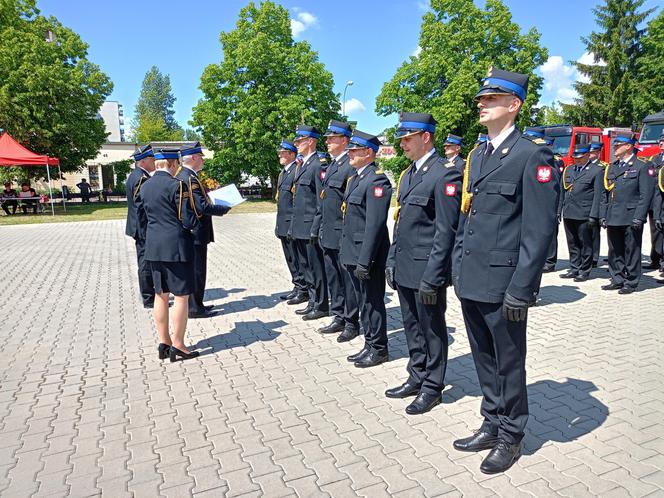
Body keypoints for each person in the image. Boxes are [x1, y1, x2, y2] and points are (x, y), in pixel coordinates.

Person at [451, 68, 559, 474]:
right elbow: (469, 218)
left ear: (513, 105)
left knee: (509, 362)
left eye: (491, 98)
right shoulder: (478, 155)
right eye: (482, 98)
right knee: (483, 357)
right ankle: (492, 421)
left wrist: (523, 287)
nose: (482, 103)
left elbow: (539, 229)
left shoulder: (533, 155)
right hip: (473, 278)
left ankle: (512, 436)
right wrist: (457, 268)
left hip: (505, 282)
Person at [385, 112, 462, 415]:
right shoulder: (409, 174)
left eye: (407, 138)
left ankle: (433, 386)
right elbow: (401, 222)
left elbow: (447, 230)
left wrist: (435, 275)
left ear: (425, 137)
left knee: (432, 329)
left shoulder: (445, 173)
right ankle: (416, 375)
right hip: (405, 266)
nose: (402, 143)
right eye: (401, 138)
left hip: (426, 270)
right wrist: (392, 259)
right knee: (411, 326)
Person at [140, 147, 200, 361]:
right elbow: (187, 219)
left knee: (160, 295)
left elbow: (143, 218)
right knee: (182, 296)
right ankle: (179, 344)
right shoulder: (177, 186)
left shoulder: (145, 186)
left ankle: (163, 342)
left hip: (154, 247)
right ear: (173, 164)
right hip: (176, 247)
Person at [340, 130, 392, 368]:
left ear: (368, 152)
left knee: (372, 301)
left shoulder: (377, 180)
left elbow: (374, 225)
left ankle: (379, 348)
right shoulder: (355, 178)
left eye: (355, 150)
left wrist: (365, 260)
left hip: (367, 255)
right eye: (349, 149)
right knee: (363, 302)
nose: (350, 153)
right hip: (352, 251)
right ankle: (369, 343)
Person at [314, 120, 360, 342]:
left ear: (344, 140)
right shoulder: (332, 165)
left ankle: (352, 322)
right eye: (327, 139)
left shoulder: (350, 166)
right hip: (328, 233)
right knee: (334, 279)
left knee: (347, 281)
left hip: (342, 234)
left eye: (332, 138)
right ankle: (339, 316)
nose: (328, 142)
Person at [176, 142, 230, 318]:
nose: (202, 160)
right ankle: (194, 308)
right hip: (195, 232)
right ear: (193, 157)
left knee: (197, 270)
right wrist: (224, 208)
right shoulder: (189, 178)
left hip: (193, 232)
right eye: (200, 157)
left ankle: (197, 303)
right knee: (197, 271)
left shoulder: (186, 175)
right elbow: (201, 206)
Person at [600, 133, 653, 294]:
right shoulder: (613, 166)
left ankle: (631, 282)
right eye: (615, 145)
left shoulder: (641, 166)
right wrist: (603, 214)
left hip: (631, 216)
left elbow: (646, 195)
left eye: (618, 145)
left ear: (629, 146)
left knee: (631, 250)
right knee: (614, 250)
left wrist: (639, 217)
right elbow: (606, 194)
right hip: (613, 215)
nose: (614, 147)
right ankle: (617, 278)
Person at [288, 124, 329, 321]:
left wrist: (316, 227)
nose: (296, 144)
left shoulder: (318, 164)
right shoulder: (302, 164)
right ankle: (312, 301)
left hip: (310, 225)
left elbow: (321, 199)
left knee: (315, 268)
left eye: (299, 141)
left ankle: (320, 304)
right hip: (299, 226)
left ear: (310, 141)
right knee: (305, 266)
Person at [559, 143, 603, 282]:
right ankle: (574, 268)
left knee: (585, 243)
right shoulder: (569, 169)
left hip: (584, 213)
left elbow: (598, 195)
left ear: (587, 155)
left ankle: (585, 270)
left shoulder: (596, 171)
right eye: (575, 157)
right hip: (569, 212)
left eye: (579, 157)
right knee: (572, 242)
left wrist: (594, 215)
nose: (576, 160)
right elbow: (562, 192)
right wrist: (559, 211)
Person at [275, 139, 308, 305]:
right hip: (283, 223)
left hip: (292, 223)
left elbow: (296, 200)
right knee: (290, 258)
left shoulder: (296, 170)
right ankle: (297, 285)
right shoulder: (284, 172)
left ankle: (303, 289)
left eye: (283, 153)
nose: (280, 155)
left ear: (292, 154)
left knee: (297, 258)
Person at [125, 144, 156, 308]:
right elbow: (142, 206)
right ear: (143, 161)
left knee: (145, 261)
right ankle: (148, 297)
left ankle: (149, 293)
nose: (154, 162)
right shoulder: (141, 179)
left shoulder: (136, 175)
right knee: (145, 262)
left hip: (139, 226)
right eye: (152, 159)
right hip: (143, 227)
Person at [645, 134, 664, 273]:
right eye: (661, 141)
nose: (661, 143)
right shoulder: (654, 159)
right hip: (654, 201)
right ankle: (655, 259)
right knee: (655, 232)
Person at [588, 142, 606, 267]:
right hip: (585, 204)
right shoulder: (584, 165)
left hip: (597, 201)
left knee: (594, 232)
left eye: (592, 152)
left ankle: (594, 257)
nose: (590, 154)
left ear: (598, 153)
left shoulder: (603, 166)